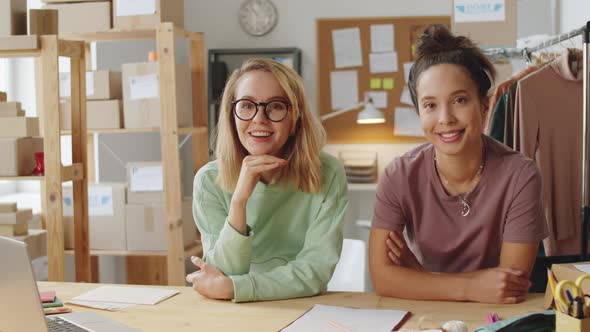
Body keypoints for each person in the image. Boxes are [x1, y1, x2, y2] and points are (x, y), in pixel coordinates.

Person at [369, 25, 548, 304]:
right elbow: (382, 278)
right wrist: (472, 288)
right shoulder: (398, 175)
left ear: (485, 106)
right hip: (425, 317)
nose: (445, 118)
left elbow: (508, 285)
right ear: (419, 112)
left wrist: (417, 274)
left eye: (460, 100)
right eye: (430, 105)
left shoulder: (520, 176)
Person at [186, 58, 349, 302]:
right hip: (234, 311)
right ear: (232, 116)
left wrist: (235, 288)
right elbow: (221, 272)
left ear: (294, 118)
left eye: (275, 106)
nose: (259, 118)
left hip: (301, 306)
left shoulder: (328, 173)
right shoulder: (209, 181)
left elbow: (315, 272)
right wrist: (239, 202)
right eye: (247, 105)